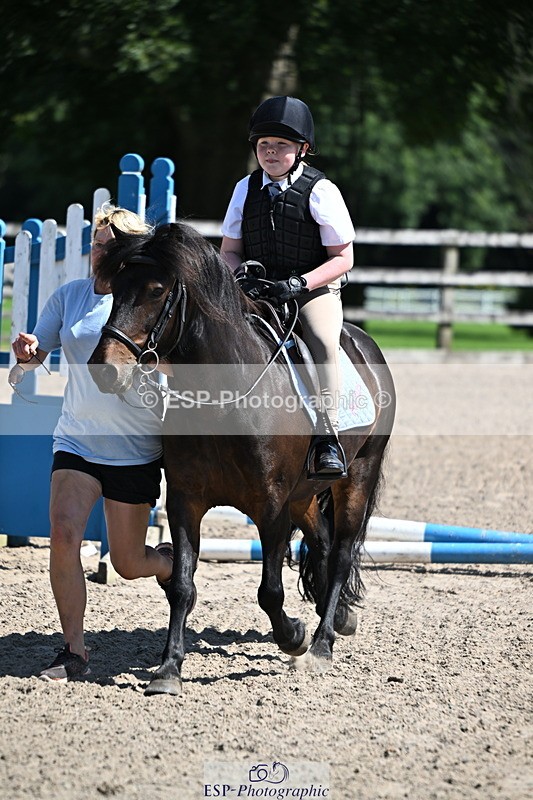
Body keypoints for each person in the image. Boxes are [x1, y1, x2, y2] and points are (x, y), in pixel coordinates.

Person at [9, 203, 174, 682]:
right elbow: (38, 351)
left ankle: (166, 564)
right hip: (77, 440)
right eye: (94, 244)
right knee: (63, 533)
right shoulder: (72, 296)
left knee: (128, 563)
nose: (95, 252)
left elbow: (174, 369)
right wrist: (30, 352)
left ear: (127, 251)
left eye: (106, 245)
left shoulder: (146, 301)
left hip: (135, 449)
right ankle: (73, 651)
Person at [220, 95, 356, 476]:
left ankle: (327, 437)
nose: (271, 152)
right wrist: (240, 276)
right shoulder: (244, 189)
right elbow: (229, 250)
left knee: (323, 342)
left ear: (302, 149)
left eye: (281, 146)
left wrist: (299, 283)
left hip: (313, 289)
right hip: (257, 289)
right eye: (264, 145)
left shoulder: (321, 192)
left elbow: (343, 259)